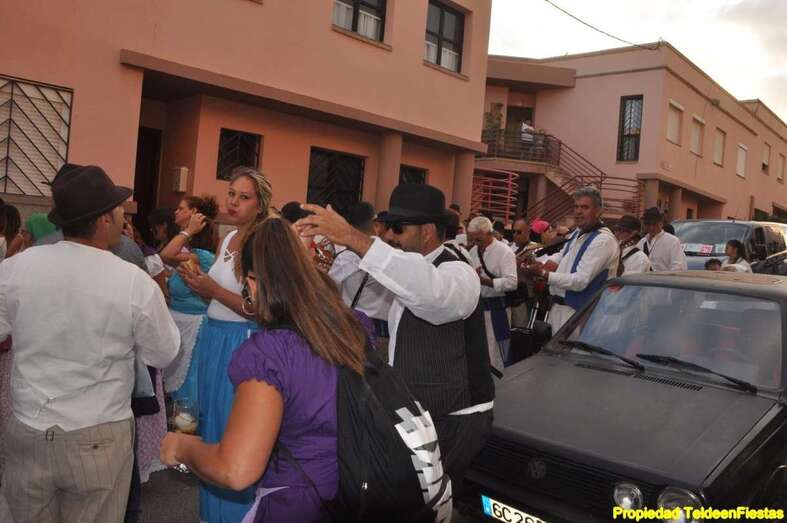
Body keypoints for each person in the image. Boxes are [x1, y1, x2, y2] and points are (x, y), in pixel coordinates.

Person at [161, 218, 372, 523]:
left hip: (298, 501)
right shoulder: (354, 326)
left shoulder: (268, 355)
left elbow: (236, 470)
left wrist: (182, 447)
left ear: (252, 282)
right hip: (352, 489)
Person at [0, 164, 179, 523]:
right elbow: (164, 352)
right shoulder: (133, 281)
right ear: (103, 220)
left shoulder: (15, 268)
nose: (123, 216)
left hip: (30, 428)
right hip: (99, 433)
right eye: (119, 209)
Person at [296, 183, 494, 498]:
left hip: (455, 417)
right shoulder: (411, 269)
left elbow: (434, 298)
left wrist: (353, 237)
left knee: (427, 503)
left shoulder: (458, 271)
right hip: (422, 413)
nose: (389, 235)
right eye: (388, 226)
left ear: (427, 231)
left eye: (398, 228)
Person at [179, 166, 272, 523]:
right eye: (231, 194)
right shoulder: (228, 236)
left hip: (241, 341)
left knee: (233, 430)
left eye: (243, 197)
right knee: (210, 426)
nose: (233, 202)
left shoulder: (261, 242)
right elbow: (220, 297)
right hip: (213, 337)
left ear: (260, 205)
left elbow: (261, 309)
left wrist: (213, 290)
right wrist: (201, 287)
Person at [521, 187, 619, 332]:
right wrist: (539, 264)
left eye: (584, 207)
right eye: (576, 207)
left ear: (598, 211)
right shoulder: (578, 232)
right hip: (560, 309)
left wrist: (543, 274)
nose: (578, 211)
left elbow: (580, 281)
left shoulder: (603, 240)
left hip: (581, 315)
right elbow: (562, 256)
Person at [159, 196, 220, 402]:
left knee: (187, 385)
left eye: (180, 208)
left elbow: (166, 255)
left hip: (193, 328)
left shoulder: (201, 256)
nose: (175, 212)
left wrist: (187, 231)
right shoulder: (192, 256)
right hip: (180, 324)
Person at [330, 201, 394, 359]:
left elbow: (329, 289)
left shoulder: (348, 257)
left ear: (349, 226)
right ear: (374, 223)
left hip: (356, 329)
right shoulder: (391, 254)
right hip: (387, 332)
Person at [468, 217, 518, 369]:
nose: (476, 243)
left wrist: (485, 281)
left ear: (489, 233)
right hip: (477, 309)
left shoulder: (505, 252)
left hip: (498, 310)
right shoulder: (473, 251)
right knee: (479, 352)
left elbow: (512, 283)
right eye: (473, 239)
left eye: (479, 239)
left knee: (496, 353)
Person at [638, 207, 687, 272]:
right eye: (648, 224)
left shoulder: (673, 241)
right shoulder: (641, 242)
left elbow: (678, 267)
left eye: (655, 224)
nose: (651, 228)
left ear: (661, 223)